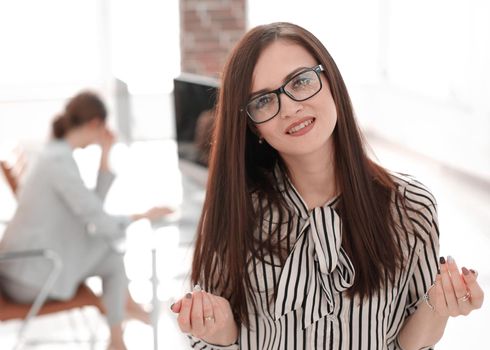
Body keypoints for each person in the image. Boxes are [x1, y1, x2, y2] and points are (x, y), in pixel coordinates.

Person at [170, 22, 484, 349]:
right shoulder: (237, 212)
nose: (290, 107)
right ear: (254, 127)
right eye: (263, 101)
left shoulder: (411, 207)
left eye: (301, 81)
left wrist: (439, 307)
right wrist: (221, 336)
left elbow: (409, 344)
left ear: (331, 81)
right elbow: (206, 340)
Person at [0, 91, 173, 350]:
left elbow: (93, 210)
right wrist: (144, 215)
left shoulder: (57, 154)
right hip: (31, 277)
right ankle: (122, 324)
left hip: (27, 266)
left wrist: (105, 153)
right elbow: (99, 220)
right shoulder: (58, 163)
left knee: (109, 249)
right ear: (95, 124)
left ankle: (121, 324)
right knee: (111, 252)